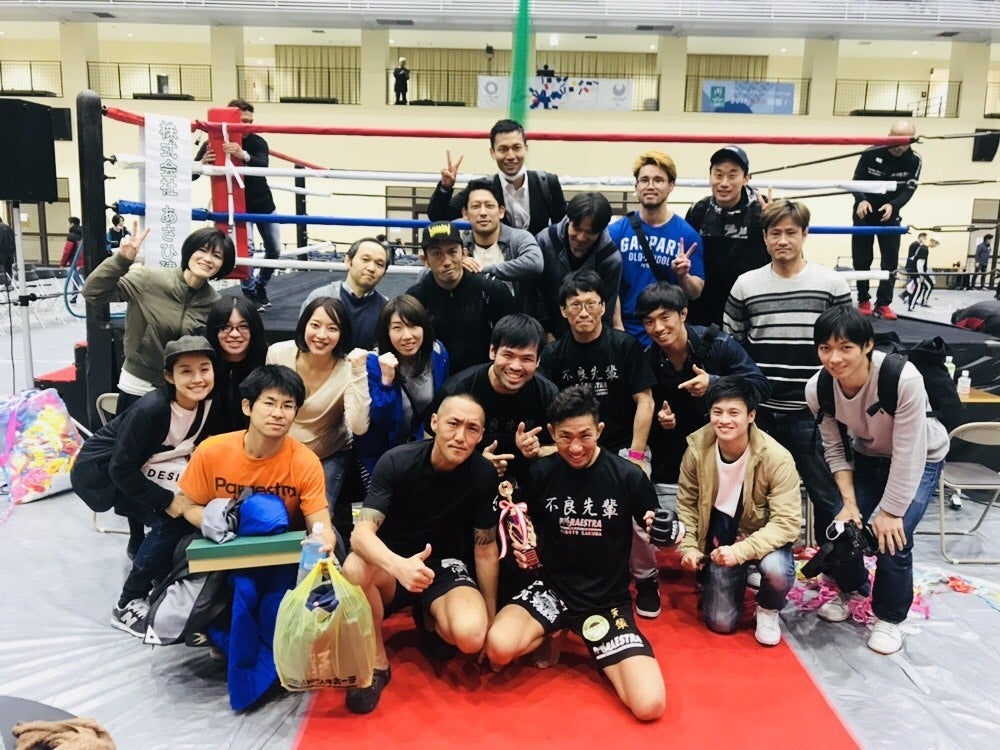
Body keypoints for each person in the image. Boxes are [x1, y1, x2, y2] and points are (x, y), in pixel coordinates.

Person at [484, 385, 666, 722]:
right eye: (565, 437)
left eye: (585, 435)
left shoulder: (627, 475)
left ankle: (597, 645)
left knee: (649, 705)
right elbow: (521, 524)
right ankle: (555, 629)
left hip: (605, 602)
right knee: (498, 647)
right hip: (551, 592)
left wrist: (669, 530)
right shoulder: (541, 472)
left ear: (599, 430)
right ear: (552, 433)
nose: (576, 447)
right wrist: (520, 548)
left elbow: (657, 524)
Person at [342, 393, 500, 714]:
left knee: (471, 637)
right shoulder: (396, 461)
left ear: (481, 435)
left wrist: (491, 617)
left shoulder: (484, 474)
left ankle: (428, 617)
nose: (460, 436)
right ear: (435, 423)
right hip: (392, 566)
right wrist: (399, 566)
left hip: (444, 566)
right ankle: (376, 662)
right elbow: (360, 534)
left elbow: (485, 548)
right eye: (453, 424)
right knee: (354, 567)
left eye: (472, 428)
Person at [805, 305, 948, 654]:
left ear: (867, 345)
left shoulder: (903, 378)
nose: (834, 358)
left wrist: (892, 511)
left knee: (893, 536)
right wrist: (849, 504)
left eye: (845, 348)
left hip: (922, 456)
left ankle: (889, 616)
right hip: (869, 457)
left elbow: (908, 451)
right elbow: (835, 449)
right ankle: (853, 590)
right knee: (841, 526)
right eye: (825, 348)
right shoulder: (818, 388)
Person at [70, 335, 217, 637]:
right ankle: (126, 602)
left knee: (190, 511)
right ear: (169, 377)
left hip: (149, 468)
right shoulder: (152, 409)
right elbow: (121, 468)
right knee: (171, 522)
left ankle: (146, 559)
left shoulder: (206, 403)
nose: (197, 378)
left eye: (204, 369)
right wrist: (167, 501)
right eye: (186, 371)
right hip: (105, 474)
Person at [724, 199, 851, 542]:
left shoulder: (831, 284)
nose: (783, 240)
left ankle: (833, 560)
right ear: (764, 237)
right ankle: (757, 558)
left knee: (827, 495)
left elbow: (847, 346)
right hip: (761, 413)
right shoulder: (745, 285)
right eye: (775, 233)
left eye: (791, 232)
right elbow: (732, 347)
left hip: (815, 414)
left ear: (804, 234)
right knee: (753, 495)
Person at [539, 270, 661, 618]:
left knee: (636, 512)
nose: (584, 311)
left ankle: (646, 578)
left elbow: (645, 401)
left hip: (622, 447)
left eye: (591, 303)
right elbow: (548, 410)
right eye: (575, 304)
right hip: (573, 449)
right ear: (563, 310)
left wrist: (635, 456)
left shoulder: (624, 346)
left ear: (603, 306)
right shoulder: (554, 354)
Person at [430, 313, 558, 603]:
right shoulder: (459, 390)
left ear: (538, 361)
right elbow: (431, 447)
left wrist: (539, 451)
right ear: (492, 351)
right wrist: (475, 464)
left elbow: (570, 446)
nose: (516, 366)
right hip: (465, 487)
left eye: (527, 359)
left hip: (525, 490)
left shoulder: (547, 393)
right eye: (508, 355)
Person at [676, 377, 800, 646]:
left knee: (777, 570)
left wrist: (742, 551)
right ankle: (739, 574)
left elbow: (787, 523)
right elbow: (687, 503)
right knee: (720, 623)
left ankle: (768, 606)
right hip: (722, 533)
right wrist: (689, 547)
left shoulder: (777, 457)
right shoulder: (696, 449)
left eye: (734, 413)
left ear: (751, 416)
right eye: (717, 412)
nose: (724, 420)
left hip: (763, 533)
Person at [82, 223, 236, 414]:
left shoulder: (215, 303)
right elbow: (93, 292)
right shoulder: (150, 278)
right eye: (202, 250)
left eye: (217, 256)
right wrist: (121, 260)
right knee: (132, 434)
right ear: (189, 251)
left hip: (185, 389)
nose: (207, 259)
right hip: (139, 384)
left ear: (223, 265)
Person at [636, 281, 769, 486]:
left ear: (683, 314)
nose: (658, 328)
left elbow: (761, 387)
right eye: (649, 321)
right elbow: (647, 408)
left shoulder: (719, 344)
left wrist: (714, 383)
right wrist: (662, 419)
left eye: (665, 317)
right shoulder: (648, 358)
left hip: (729, 442)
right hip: (680, 453)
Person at [265, 297, 370, 541]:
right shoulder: (278, 353)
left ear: (342, 334)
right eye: (315, 325)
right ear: (304, 325)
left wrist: (358, 373)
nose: (322, 335)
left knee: (319, 522)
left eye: (332, 328)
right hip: (281, 452)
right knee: (272, 516)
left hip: (326, 454)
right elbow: (267, 407)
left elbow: (358, 427)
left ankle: (328, 562)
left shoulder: (348, 368)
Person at [608, 150, 704, 346]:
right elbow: (608, 285)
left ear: (671, 185)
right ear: (636, 186)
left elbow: (695, 292)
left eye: (658, 180)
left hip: (667, 332)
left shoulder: (687, 235)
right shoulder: (616, 231)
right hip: (625, 329)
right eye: (644, 180)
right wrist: (617, 327)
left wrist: (683, 276)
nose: (650, 186)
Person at [196, 98, 279, 310]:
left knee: (274, 250)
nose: (247, 126)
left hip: (264, 204)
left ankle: (260, 285)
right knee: (246, 251)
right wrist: (201, 164)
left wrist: (243, 155)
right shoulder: (212, 142)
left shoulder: (257, 141)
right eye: (243, 121)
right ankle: (250, 292)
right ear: (231, 120)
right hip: (238, 207)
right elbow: (192, 176)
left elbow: (263, 165)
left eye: (250, 121)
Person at [355, 294, 450, 478]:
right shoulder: (373, 363)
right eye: (397, 328)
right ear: (386, 332)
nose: (407, 336)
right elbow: (379, 421)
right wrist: (387, 381)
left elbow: (441, 402)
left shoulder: (438, 353)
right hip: (380, 455)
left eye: (413, 326)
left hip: (421, 448)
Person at [406, 221, 516, 374]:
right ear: (425, 260)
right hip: (436, 379)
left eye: (452, 252)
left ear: (464, 253)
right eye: (437, 254)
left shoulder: (491, 289)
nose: (447, 262)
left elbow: (512, 340)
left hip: (484, 377)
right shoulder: (415, 298)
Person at [427, 119, 566, 236]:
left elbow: (561, 230)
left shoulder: (548, 184)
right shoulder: (481, 187)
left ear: (526, 149)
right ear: (492, 153)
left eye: (516, 148)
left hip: (539, 259)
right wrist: (445, 187)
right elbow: (438, 216)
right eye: (503, 149)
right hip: (497, 260)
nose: (510, 156)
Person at [684, 145, 770, 326]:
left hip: (751, 308)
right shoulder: (698, 211)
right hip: (705, 310)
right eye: (718, 174)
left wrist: (773, 223)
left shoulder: (763, 210)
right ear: (710, 176)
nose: (724, 183)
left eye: (732, 175)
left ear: (746, 178)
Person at [850, 120, 921, 320]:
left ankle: (883, 304)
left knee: (890, 259)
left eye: (904, 141)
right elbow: (856, 181)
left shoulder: (914, 160)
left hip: (889, 214)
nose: (898, 145)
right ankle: (863, 299)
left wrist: (894, 205)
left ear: (911, 140)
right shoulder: (871, 152)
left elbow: (910, 188)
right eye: (895, 139)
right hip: (864, 211)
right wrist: (861, 200)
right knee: (862, 258)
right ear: (888, 136)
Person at [535, 191, 621, 341]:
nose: (581, 237)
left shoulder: (610, 258)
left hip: (588, 337)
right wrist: (545, 333)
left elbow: (605, 310)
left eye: (590, 233)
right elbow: (535, 293)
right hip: (545, 332)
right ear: (569, 219)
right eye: (576, 228)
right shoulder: (545, 241)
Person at [458, 178, 542, 312]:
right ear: (465, 214)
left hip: (516, 319)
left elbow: (534, 263)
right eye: (476, 206)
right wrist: (458, 266)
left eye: (489, 206)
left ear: (501, 211)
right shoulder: (460, 247)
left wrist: (484, 270)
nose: (483, 213)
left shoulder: (519, 238)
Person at [300, 237, 389, 350]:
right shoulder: (319, 297)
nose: (371, 268)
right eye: (365, 259)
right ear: (348, 261)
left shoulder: (386, 309)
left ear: (384, 273)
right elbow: (302, 343)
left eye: (379, 264)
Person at [202, 295, 267, 436]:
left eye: (243, 326)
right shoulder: (202, 366)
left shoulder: (268, 362)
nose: (235, 334)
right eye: (225, 327)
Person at [0, 214, 14, 282]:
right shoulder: (8, 227)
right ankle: (9, 283)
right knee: (8, 269)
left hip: (1, 252)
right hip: (9, 253)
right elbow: (13, 239)